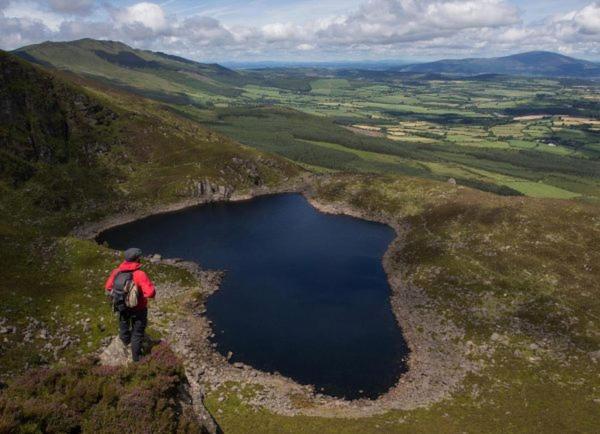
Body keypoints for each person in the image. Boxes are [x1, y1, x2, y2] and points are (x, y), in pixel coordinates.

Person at [105, 247, 156, 362]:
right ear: (137, 259)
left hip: (122, 306)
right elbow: (150, 293)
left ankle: (125, 340)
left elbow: (108, 287)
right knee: (137, 333)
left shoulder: (116, 272)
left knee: (123, 323)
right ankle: (136, 359)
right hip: (138, 308)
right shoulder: (140, 274)